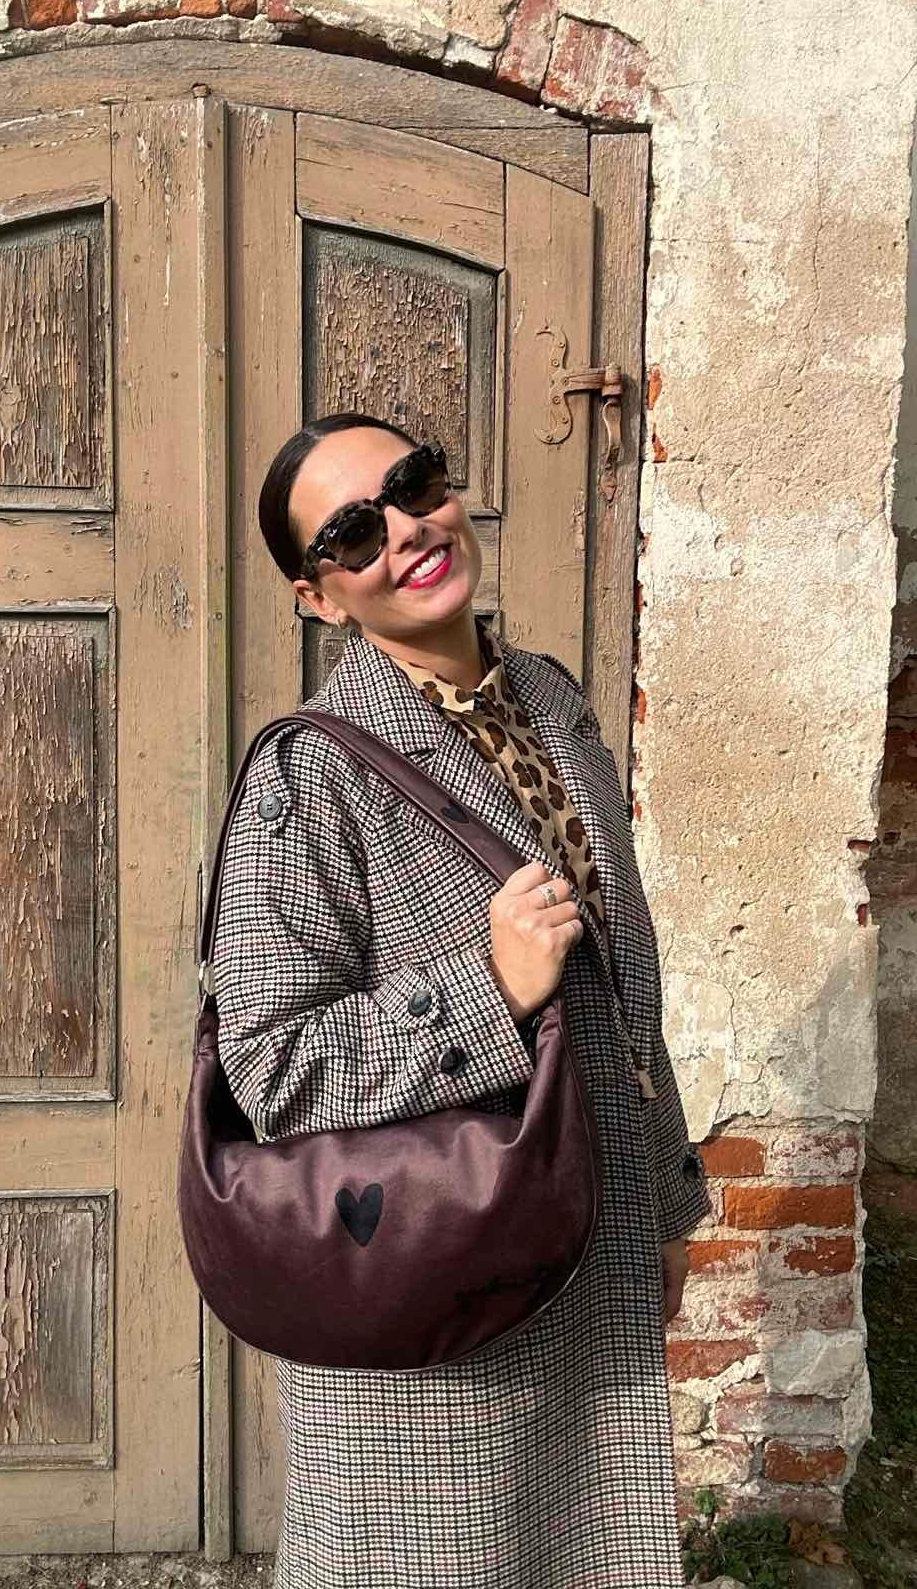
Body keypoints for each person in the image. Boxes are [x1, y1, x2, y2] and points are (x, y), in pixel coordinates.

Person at [209, 410, 712, 1589]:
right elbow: (272, 1069)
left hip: (583, 1240)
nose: (407, 529)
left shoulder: (548, 700)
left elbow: (619, 988)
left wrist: (664, 1201)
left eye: (416, 484)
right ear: (319, 598)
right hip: (430, 1287)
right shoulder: (311, 774)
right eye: (351, 531)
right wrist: (483, 989)